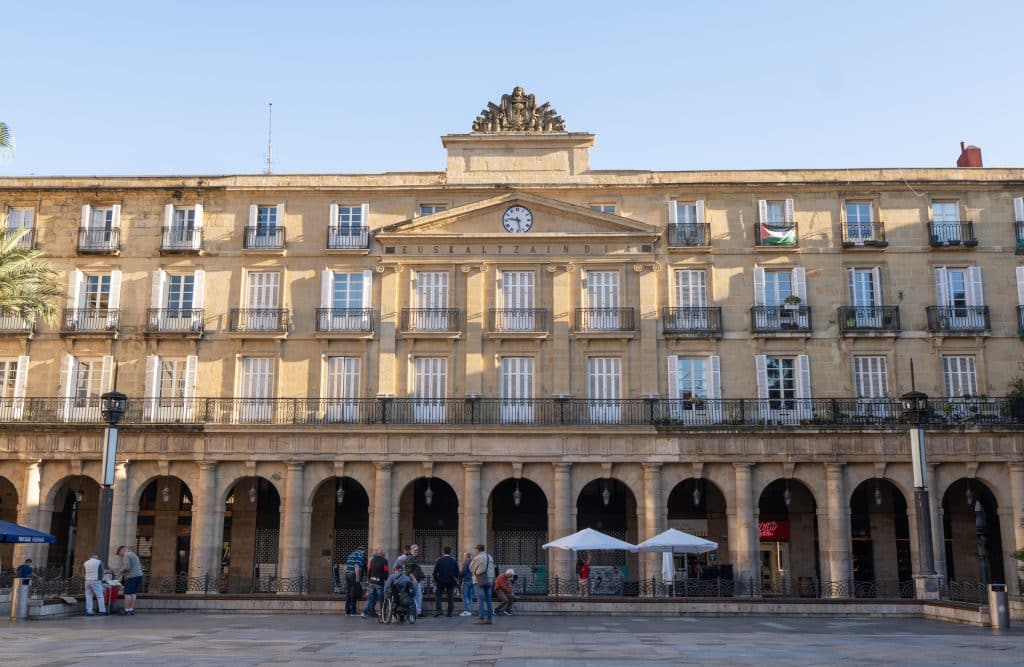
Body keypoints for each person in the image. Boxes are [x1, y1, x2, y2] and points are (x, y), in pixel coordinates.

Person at [469, 543, 494, 625]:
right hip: (490, 580)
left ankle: (481, 618)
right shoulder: (489, 556)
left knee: (480, 600)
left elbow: (471, 568)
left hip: (480, 580)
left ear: (477, 549)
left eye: (475, 549)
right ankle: (489, 619)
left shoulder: (478, 558)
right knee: (489, 600)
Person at [432, 546, 459, 617]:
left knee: (438, 596)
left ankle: (439, 610)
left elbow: (434, 573)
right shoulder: (453, 561)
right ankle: (450, 612)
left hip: (441, 582)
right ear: (450, 552)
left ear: (443, 552)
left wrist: (437, 580)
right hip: (450, 582)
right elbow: (457, 573)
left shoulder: (439, 560)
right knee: (450, 597)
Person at [361, 547, 388, 619]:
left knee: (370, 598)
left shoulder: (372, 560)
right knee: (381, 598)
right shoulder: (384, 561)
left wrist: (369, 579)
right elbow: (386, 571)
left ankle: (365, 612)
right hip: (379, 582)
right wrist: (386, 580)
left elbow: (369, 570)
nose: (385, 553)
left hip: (372, 581)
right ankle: (382, 612)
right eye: (384, 552)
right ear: (382, 553)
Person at [117, 545, 143, 615]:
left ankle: (127, 610)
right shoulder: (133, 554)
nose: (121, 556)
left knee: (127, 593)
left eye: (120, 554)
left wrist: (121, 570)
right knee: (133, 593)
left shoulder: (126, 555)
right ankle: (131, 609)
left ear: (122, 550)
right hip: (139, 575)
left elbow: (127, 567)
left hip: (132, 576)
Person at [344, 545, 367, 617]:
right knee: (354, 593)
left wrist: (348, 573)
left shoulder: (351, 554)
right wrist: (357, 577)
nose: (364, 553)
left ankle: (347, 611)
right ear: (363, 550)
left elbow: (345, 566)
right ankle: (353, 612)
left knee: (348, 593)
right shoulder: (359, 555)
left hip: (347, 574)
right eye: (364, 552)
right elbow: (357, 565)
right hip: (353, 575)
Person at [404, 544, 425, 617]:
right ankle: (415, 612)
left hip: (417, 581)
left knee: (418, 597)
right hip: (413, 581)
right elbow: (409, 571)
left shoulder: (415, 558)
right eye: (415, 550)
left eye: (417, 550)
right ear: (411, 550)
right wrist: (414, 579)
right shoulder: (410, 558)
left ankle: (417, 612)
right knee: (416, 597)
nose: (417, 551)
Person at [459, 551, 475, 617]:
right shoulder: (473, 562)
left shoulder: (466, 562)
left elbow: (463, 572)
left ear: (466, 556)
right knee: (469, 596)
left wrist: (460, 576)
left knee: (464, 596)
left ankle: (467, 611)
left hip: (466, 581)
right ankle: (469, 610)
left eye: (464, 556)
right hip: (472, 581)